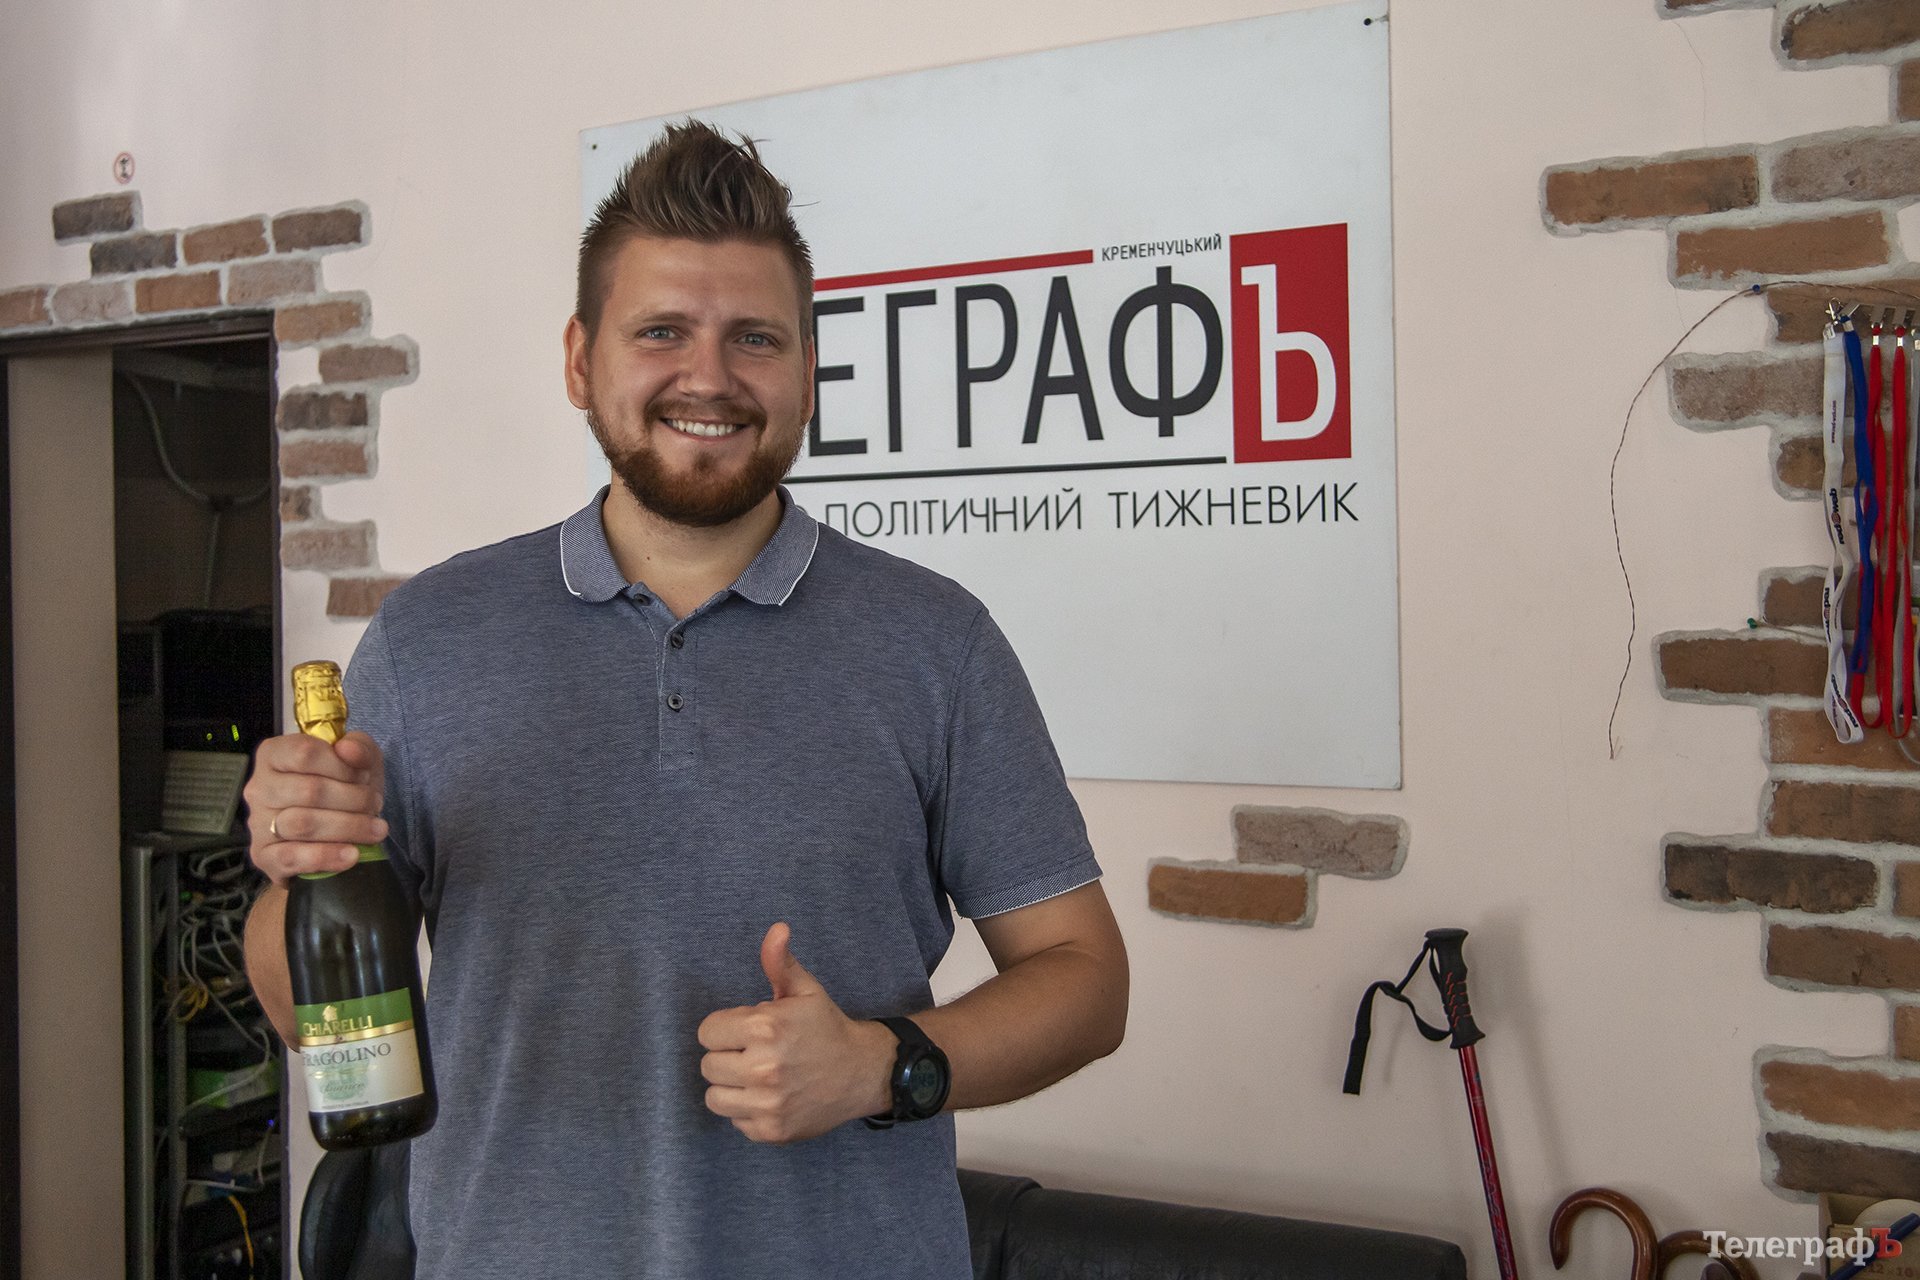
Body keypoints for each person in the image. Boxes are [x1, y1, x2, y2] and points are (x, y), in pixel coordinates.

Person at [241, 120, 1128, 1280]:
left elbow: (1086, 978)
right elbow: (307, 1012)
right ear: (580, 359)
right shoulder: (429, 638)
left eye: (754, 337)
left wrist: (882, 1062)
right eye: (661, 330)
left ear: (808, 371)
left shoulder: (935, 642)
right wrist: (301, 868)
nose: (708, 376)